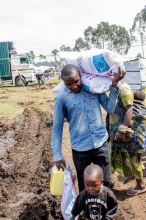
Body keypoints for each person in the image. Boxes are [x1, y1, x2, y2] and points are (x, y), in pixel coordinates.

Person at [51, 64, 125, 192]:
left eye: (76, 81)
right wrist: (57, 156)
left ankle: (104, 209)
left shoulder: (93, 88)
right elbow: (57, 128)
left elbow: (110, 108)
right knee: (84, 185)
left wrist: (114, 86)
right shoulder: (61, 98)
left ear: (80, 76)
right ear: (63, 82)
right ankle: (87, 211)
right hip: (80, 149)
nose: (74, 86)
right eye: (69, 84)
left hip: (100, 143)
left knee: (105, 181)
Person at [109, 84, 146, 196]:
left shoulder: (124, 89)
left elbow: (129, 109)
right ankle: (134, 175)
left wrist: (122, 130)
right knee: (129, 157)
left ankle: (141, 186)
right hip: (126, 132)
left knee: (134, 158)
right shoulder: (116, 90)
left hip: (130, 133)